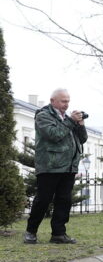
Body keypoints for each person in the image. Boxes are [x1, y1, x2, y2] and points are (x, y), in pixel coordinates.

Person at [24, 88, 86, 245]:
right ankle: (31, 232)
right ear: (53, 101)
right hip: (50, 166)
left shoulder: (67, 118)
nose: (66, 104)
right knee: (43, 200)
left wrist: (80, 124)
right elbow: (54, 135)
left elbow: (83, 139)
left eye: (68, 101)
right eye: (63, 101)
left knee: (64, 200)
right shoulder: (43, 116)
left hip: (68, 167)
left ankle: (58, 234)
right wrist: (71, 121)